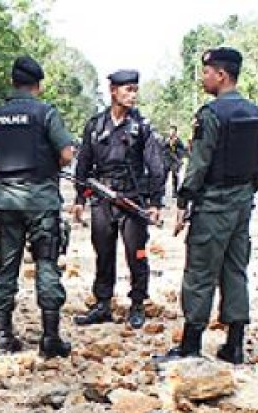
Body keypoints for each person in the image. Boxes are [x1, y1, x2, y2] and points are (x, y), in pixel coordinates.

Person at [163, 47, 258, 364]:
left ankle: (191, 344)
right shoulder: (254, 112)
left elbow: (198, 163)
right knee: (235, 269)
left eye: (206, 72)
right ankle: (234, 344)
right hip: (242, 201)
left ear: (221, 75)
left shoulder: (211, 115)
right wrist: (244, 192)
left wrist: (184, 199)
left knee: (200, 271)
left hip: (214, 202)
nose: (203, 78)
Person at [0, 56, 76, 358]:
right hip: (41, 200)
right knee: (46, 263)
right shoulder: (46, 114)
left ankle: (4, 336)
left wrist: (2, 171)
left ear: (12, 82)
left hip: (6, 201)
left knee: (7, 266)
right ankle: (50, 338)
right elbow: (67, 155)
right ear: (38, 86)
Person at [72, 69, 165, 330]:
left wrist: (155, 203)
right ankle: (103, 303)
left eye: (135, 90)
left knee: (137, 253)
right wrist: (79, 198)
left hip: (132, 199)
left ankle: (137, 303)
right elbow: (83, 163)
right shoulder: (95, 125)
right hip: (102, 198)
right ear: (113, 91)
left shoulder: (142, 126)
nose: (133, 95)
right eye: (128, 90)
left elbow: (156, 166)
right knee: (103, 252)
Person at [164, 125, 188, 196]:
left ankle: (174, 191)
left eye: (173, 131)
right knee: (164, 175)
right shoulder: (167, 140)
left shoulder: (178, 140)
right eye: (170, 130)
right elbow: (163, 148)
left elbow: (182, 149)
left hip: (175, 160)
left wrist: (179, 158)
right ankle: (162, 190)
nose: (171, 132)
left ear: (175, 132)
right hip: (167, 160)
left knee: (174, 175)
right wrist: (168, 144)